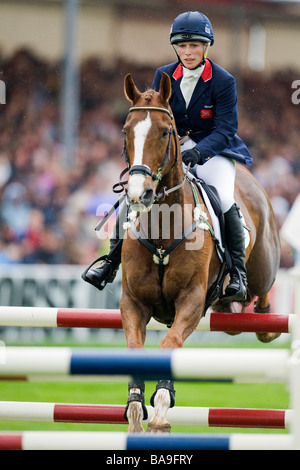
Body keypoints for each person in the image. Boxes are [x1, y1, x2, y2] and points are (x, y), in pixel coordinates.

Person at [82, 11, 251, 302]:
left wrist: (199, 152)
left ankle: (237, 272)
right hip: (173, 147)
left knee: (223, 199)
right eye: (182, 46)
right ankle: (110, 262)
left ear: (206, 46)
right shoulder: (163, 74)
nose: (187, 52)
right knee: (135, 193)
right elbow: (154, 115)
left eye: (194, 45)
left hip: (215, 152)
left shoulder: (223, 81)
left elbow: (226, 129)